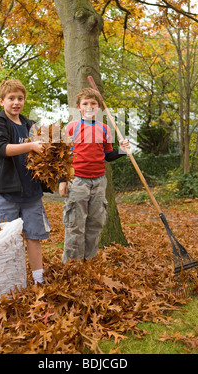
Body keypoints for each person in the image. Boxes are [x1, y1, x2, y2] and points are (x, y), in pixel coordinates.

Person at [0, 79, 50, 285]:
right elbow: (1, 148)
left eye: (20, 98)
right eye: (11, 98)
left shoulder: (31, 125)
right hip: (7, 194)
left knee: (34, 237)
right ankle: (3, 281)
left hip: (31, 194)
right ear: (1, 100)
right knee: (2, 240)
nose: (16, 102)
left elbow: (46, 151)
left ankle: (38, 280)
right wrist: (31, 146)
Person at [58, 87, 130, 263]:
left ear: (98, 107)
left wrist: (123, 150)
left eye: (93, 103)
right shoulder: (71, 128)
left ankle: (89, 261)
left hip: (98, 182)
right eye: (85, 103)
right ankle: (72, 265)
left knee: (95, 224)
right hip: (77, 180)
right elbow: (62, 157)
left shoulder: (104, 129)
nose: (89, 106)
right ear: (79, 107)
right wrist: (62, 181)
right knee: (75, 224)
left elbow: (107, 155)